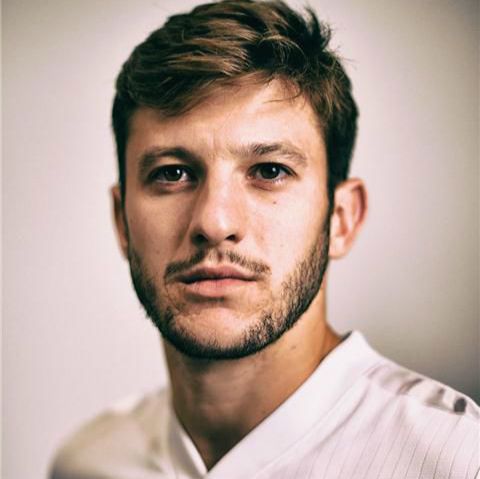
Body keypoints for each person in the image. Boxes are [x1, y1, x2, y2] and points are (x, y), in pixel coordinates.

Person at [50, 1, 479, 478]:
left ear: (340, 219)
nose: (214, 222)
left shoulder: (457, 459)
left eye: (270, 171)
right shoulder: (86, 463)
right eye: (172, 174)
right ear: (122, 222)